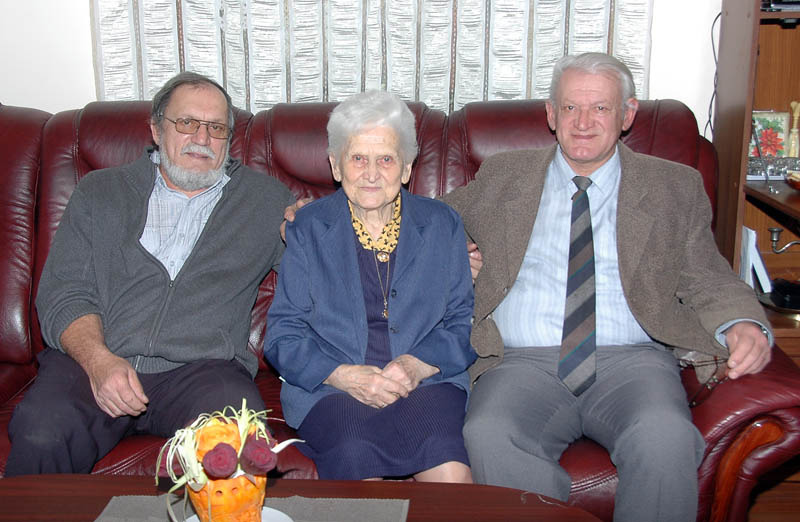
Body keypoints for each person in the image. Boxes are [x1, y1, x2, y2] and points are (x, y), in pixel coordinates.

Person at [440, 53, 772, 521]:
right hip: (521, 361)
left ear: (627, 114)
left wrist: (742, 322)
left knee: (664, 437)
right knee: (489, 432)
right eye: (570, 107)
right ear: (551, 114)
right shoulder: (504, 175)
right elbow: (428, 223)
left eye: (600, 108)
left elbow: (707, 273)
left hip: (633, 361)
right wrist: (452, 252)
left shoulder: (673, 186)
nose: (583, 122)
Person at [6, 72, 295, 475]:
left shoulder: (265, 201)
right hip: (97, 358)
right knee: (42, 432)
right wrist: (99, 361)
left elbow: (322, 276)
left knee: (236, 440)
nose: (202, 138)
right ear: (157, 129)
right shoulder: (100, 192)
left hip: (204, 371)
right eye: (187, 123)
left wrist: (317, 229)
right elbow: (63, 292)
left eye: (216, 128)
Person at [265, 90, 477, 482]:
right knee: (358, 463)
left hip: (425, 382)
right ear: (336, 165)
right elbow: (283, 333)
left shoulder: (442, 223)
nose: (372, 173)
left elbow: (461, 319)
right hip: (332, 389)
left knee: (450, 473)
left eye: (386, 159)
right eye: (358, 158)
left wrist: (415, 365)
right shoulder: (308, 228)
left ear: (407, 168)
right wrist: (343, 375)